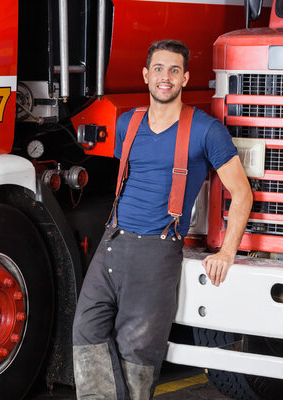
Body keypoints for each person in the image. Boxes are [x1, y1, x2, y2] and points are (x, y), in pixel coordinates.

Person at [72, 39, 253, 400]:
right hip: (113, 242)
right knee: (85, 331)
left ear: (185, 78)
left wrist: (227, 252)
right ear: (146, 75)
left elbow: (242, 192)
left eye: (174, 70)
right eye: (158, 69)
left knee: (136, 351)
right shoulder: (128, 123)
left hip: (157, 253)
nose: (165, 78)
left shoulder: (205, 130)